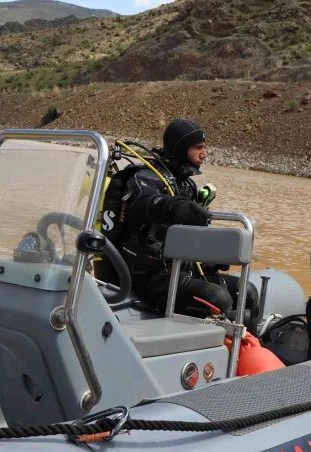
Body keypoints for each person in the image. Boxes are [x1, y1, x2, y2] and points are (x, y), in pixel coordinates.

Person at [100, 118, 241, 318]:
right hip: (148, 278)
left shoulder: (186, 185)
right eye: (198, 147)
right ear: (181, 147)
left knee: (247, 291)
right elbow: (145, 202)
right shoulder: (145, 178)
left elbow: (187, 237)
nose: (204, 153)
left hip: (179, 270)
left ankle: (246, 345)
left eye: (204, 147)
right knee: (219, 298)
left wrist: (210, 260)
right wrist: (175, 206)